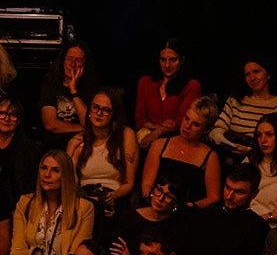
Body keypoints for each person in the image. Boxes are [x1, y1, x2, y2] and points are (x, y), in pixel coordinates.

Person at [177, 164, 270, 255]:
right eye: (227, 188)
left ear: (254, 194)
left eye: (239, 192)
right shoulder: (204, 214)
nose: (229, 196)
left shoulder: (258, 227)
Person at [69, 88, 139, 219]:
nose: (99, 113)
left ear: (114, 114)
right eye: (95, 107)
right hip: (84, 202)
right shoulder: (77, 142)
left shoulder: (125, 135)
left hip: (115, 198)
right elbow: (70, 182)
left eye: (106, 110)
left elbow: (129, 183)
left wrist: (112, 197)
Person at [142, 96, 223, 210]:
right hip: (155, 205)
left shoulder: (210, 156)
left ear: (206, 129)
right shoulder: (159, 145)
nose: (187, 126)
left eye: (196, 124)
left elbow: (214, 197)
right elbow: (147, 184)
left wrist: (188, 207)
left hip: (188, 214)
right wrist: (153, 201)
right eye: (186, 118)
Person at [210, 60, 277, 160]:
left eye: (256, 72)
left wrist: (249, 150)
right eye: (248, 74)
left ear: (268, 74)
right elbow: (216, 130)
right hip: (230, 157)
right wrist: (229, 144)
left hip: (266, 162)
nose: (252, 78)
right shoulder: (235, 100)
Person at [109, 177, 186, 255]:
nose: (160, 198)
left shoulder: (176, 226)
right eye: (159, 190)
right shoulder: (130, 218)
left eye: (169, 196)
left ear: (176, 203)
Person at [135, 40, 201, 150]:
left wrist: (158, 131)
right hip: (145, 139)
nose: (167, 65)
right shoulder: (145, 82)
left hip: (177, 140)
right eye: (163, 60)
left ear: (182, 60)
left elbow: (181, 122)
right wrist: (160, 127)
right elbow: (139, 120)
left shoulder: (192, 86)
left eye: (173, 60)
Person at [0, 97, 43, 202]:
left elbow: (30, 187)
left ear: (19, 120)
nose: (7, 119)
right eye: (2, 113)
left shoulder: (31, 149)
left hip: (17, 205)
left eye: (13, 115)